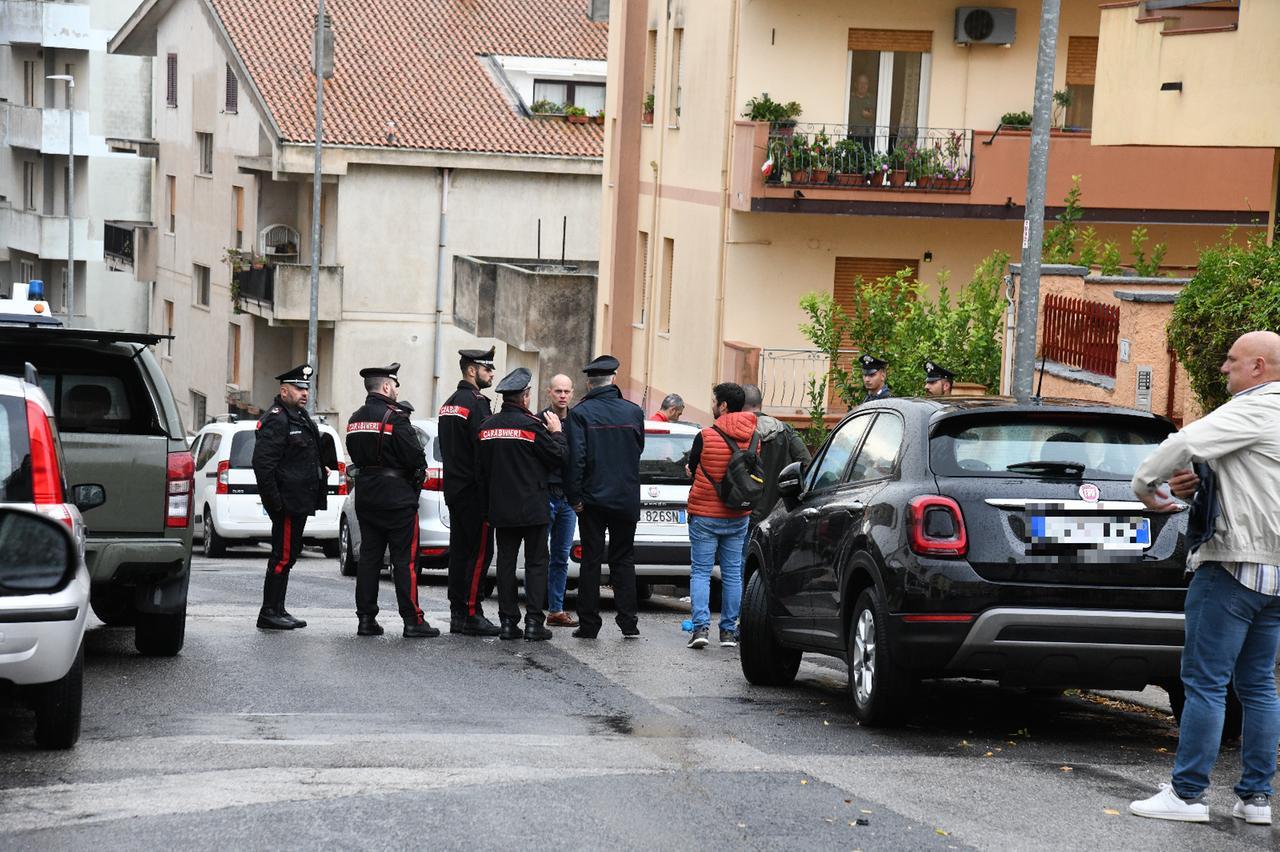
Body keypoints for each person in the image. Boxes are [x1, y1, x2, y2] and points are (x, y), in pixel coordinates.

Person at [1128, 331, 1280, 826]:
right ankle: (1256, 799)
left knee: (1206, 682)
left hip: (1232, 566)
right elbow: (1254, 488)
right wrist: (1193, 491)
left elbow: (1183, 440)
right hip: (1276, 574)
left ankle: (1187, 793)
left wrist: (1144, 486)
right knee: (1258, 685)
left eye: (1232, 360)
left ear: (1259, 366)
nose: (1224, 369)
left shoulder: (1254, 409)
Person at [345, 363, 438, 639]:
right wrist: (412, 487)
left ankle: (366, 619)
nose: (397, 390)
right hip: (397, 498)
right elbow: (415, 459)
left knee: (369, 559)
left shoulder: (355, 419)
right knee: (404, 561)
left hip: (366, 496)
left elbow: (354, 454)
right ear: (386, 386)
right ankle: (412, 620)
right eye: (395, 385)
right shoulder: (396, 418)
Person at [478, 368, 566, 641]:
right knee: (536, 564)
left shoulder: (486, 428)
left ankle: (507, 623)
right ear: (525, 397)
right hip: (533, 507)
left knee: (505, 564)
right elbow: (558, 457)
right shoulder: (532, 427)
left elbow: (480, 470)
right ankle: (533, 623)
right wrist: (557, 432)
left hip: (501, 508)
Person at [564, 355, 645, 639]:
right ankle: (629, 624)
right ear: (614, 380)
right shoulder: (633, 412)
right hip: (625, 498)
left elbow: (576, 460)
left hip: (592, 501)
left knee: (591, 560)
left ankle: (589, 625)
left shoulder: (579, 413)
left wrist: (574, 497)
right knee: (623, 559)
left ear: (589, 382)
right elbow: (638, 450)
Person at [252, 364, 327, 631]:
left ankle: (278, 608)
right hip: (286, 502)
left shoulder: (298, 416)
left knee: (289, 555)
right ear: (284, 391)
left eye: (306, 388)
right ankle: (269, 611)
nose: (304, 392)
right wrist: (276, 503)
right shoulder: (278, 418)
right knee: (282, 556)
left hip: (299, 500)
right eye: (298, 388)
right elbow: (263, 464)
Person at [683, 383, 756, 649]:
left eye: (714, 400)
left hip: (705, 513)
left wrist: (693, 470)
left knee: (701, 572)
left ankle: (700, 628)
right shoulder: (753, 436)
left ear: (723, 405)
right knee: (733, 573)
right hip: (738, 513)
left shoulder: (705, 435)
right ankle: (728, 632)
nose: (711, 405)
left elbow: (693, 467)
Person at [438, 347, 501, 637]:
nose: (492, 373)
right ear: (472, 370)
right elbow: (483, 450)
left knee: (460, 552)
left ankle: (457, 612)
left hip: (454, 489)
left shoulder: (450, 403)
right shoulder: (477, 404)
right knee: (478, 553)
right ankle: (472, 612)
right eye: (487, 368)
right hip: (475, 492)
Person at [741, 384, 811, 566]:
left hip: (744, 510)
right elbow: (806, 462)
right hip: (778, 512)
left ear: (741, 404)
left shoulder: (736, 432)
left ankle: (743, 596)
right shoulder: (784, 430)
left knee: (742, 563)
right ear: (760, 404)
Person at [541, 373, 579, 627]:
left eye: (566, 391)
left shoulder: (577, 421)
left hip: (567, 498)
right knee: (538, 555)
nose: (562, 396)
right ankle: (536, 608)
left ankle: (556, 609)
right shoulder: (540, 420)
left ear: (572, 393)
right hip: (545, 494)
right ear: (549, 392)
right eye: (558, 391)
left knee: (561, 556)